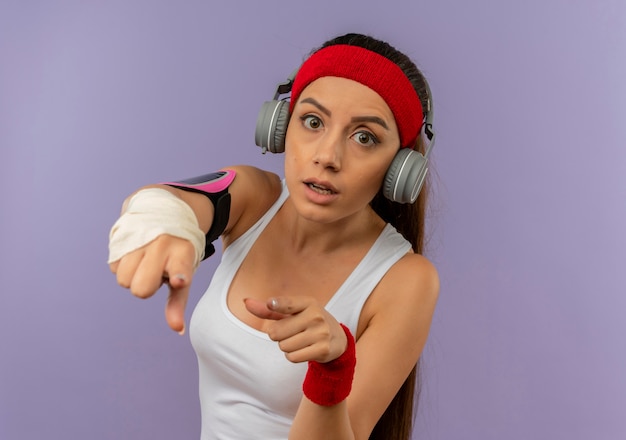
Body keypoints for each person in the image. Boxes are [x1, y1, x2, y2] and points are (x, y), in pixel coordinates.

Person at [108, 32, 439, 440]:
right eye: (313, 122)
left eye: (364, 137)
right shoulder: (255, 197)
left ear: (399, 170)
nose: (326, 156)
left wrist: (332, 371)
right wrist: (168, 222)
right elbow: (180, 198)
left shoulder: (405, 279)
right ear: (280, 127)